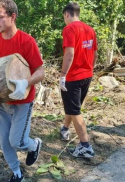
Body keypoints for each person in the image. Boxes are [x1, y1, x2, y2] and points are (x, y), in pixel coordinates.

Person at [0, 0, 45, 181]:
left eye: (0, 17)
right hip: (1, 102)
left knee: (17, 141)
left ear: (13, 17)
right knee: (5, 142)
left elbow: (41, 72)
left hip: (23, 101)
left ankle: (34, 145)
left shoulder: (27, 41)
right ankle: (16, 172)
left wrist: (26, 83)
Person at [59, 2, 98, 158]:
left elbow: (69, 54)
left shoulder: (69, 29)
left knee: (75, 110)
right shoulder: (90, 29)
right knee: (73, 106)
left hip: (73, 77)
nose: (64, 20)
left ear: (67, 14)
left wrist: (63, 74)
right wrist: (90, 70)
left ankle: (85, 145)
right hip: (87, 75)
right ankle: (64, 128)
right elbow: (95, 54)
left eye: (64, 17)